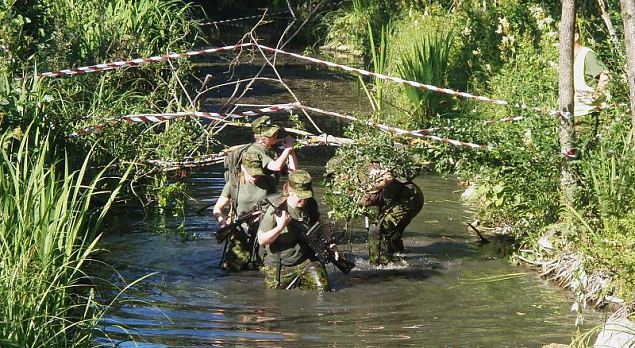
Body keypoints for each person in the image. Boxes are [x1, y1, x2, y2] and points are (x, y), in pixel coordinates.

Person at [257, 170, 341, 291]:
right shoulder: (277, 208)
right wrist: (280, 226)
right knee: (275, 301)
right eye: (300, 197)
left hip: (307, 260)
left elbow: (321, 225)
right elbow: (262, 240)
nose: (304, 201)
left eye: (306, 196)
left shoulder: (311, 204)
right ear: (290, 191)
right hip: (280, 264)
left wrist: (331, 243)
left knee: (323, 291)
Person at [213, 152, 276, 271]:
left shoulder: (269, 182)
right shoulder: (234, 184)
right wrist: (223, 223)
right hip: (240, 234)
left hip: (263, 233)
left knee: (265, 272)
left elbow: (275, 205)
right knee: (229, 272)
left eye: (257, 174)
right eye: (251, 174)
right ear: (243, 168)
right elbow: (217, 209)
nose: (254, 177)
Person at [360, 162, 424, 266]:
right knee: (392, 233)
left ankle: (380, 264)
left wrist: (389, 176)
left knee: (379, 228)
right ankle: (397, 258)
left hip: (408, 199)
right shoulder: (357, 176)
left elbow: (414, 168)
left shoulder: (388, 160)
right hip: (390, 200)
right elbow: (365, 199)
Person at [573, 25, 610, 133]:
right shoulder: (567, 59)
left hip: (586, 116)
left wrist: (594, 97)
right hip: (571, 116)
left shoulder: (587, 54)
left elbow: (605, 77)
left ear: (576, 36)